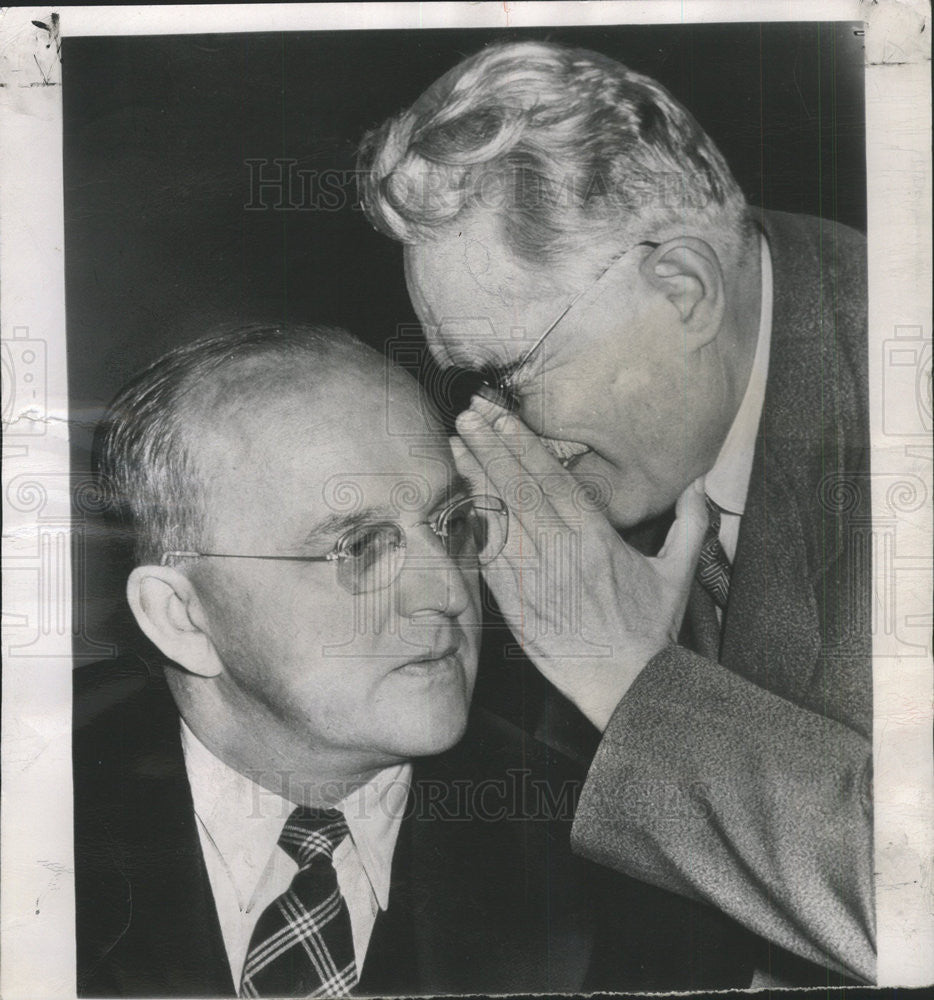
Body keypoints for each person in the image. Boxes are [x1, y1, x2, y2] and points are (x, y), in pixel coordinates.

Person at [357, 40, 873, 984]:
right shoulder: (625, 466)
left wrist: (635, 682)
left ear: (682, 288)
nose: (498, 435)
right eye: (467, 384)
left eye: (511, 375)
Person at [74, 322, 754, 997]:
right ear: (182, 616)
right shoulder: (38, 820)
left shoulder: (626, 872)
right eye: (361, 546)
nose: (449, 590)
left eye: (450, 524)